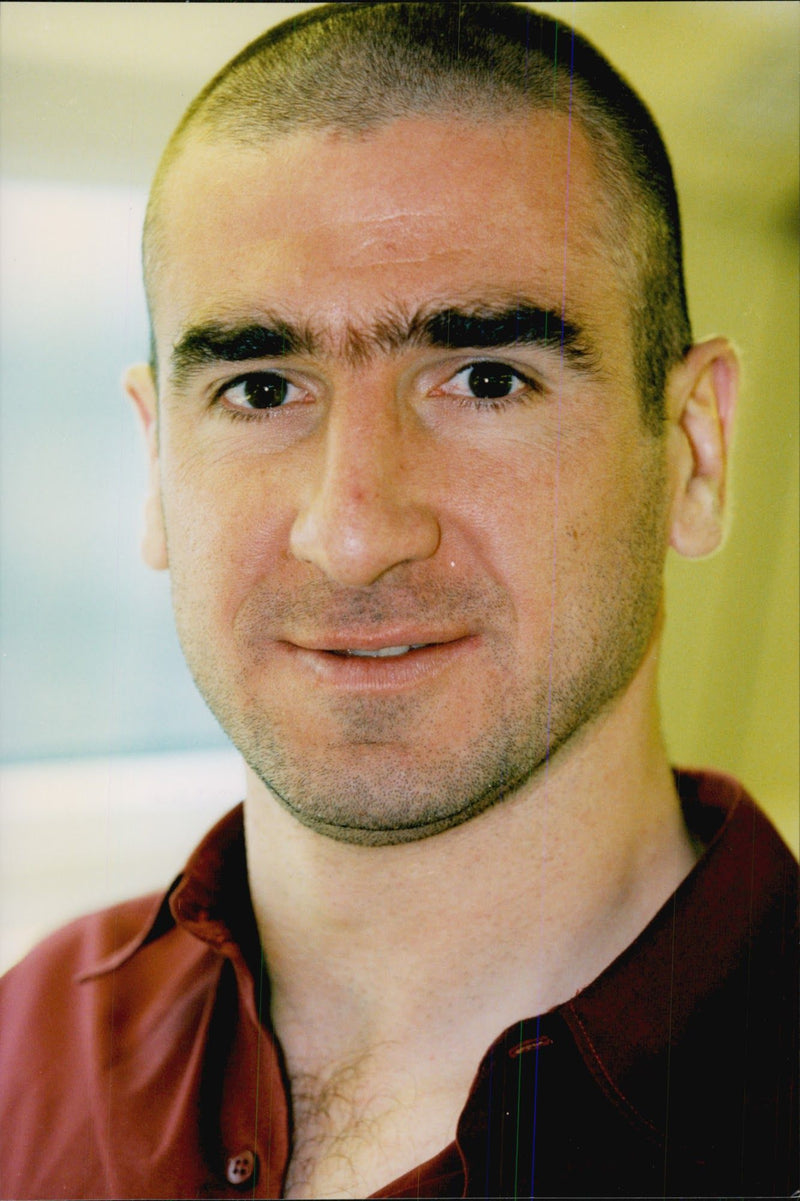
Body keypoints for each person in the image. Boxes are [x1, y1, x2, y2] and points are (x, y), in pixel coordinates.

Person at [0, 3, 796, 1197]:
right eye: (262, 389)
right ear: (156, 462)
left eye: (484, 379)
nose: (354, 533)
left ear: (690, 450)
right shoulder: (34, 1041)